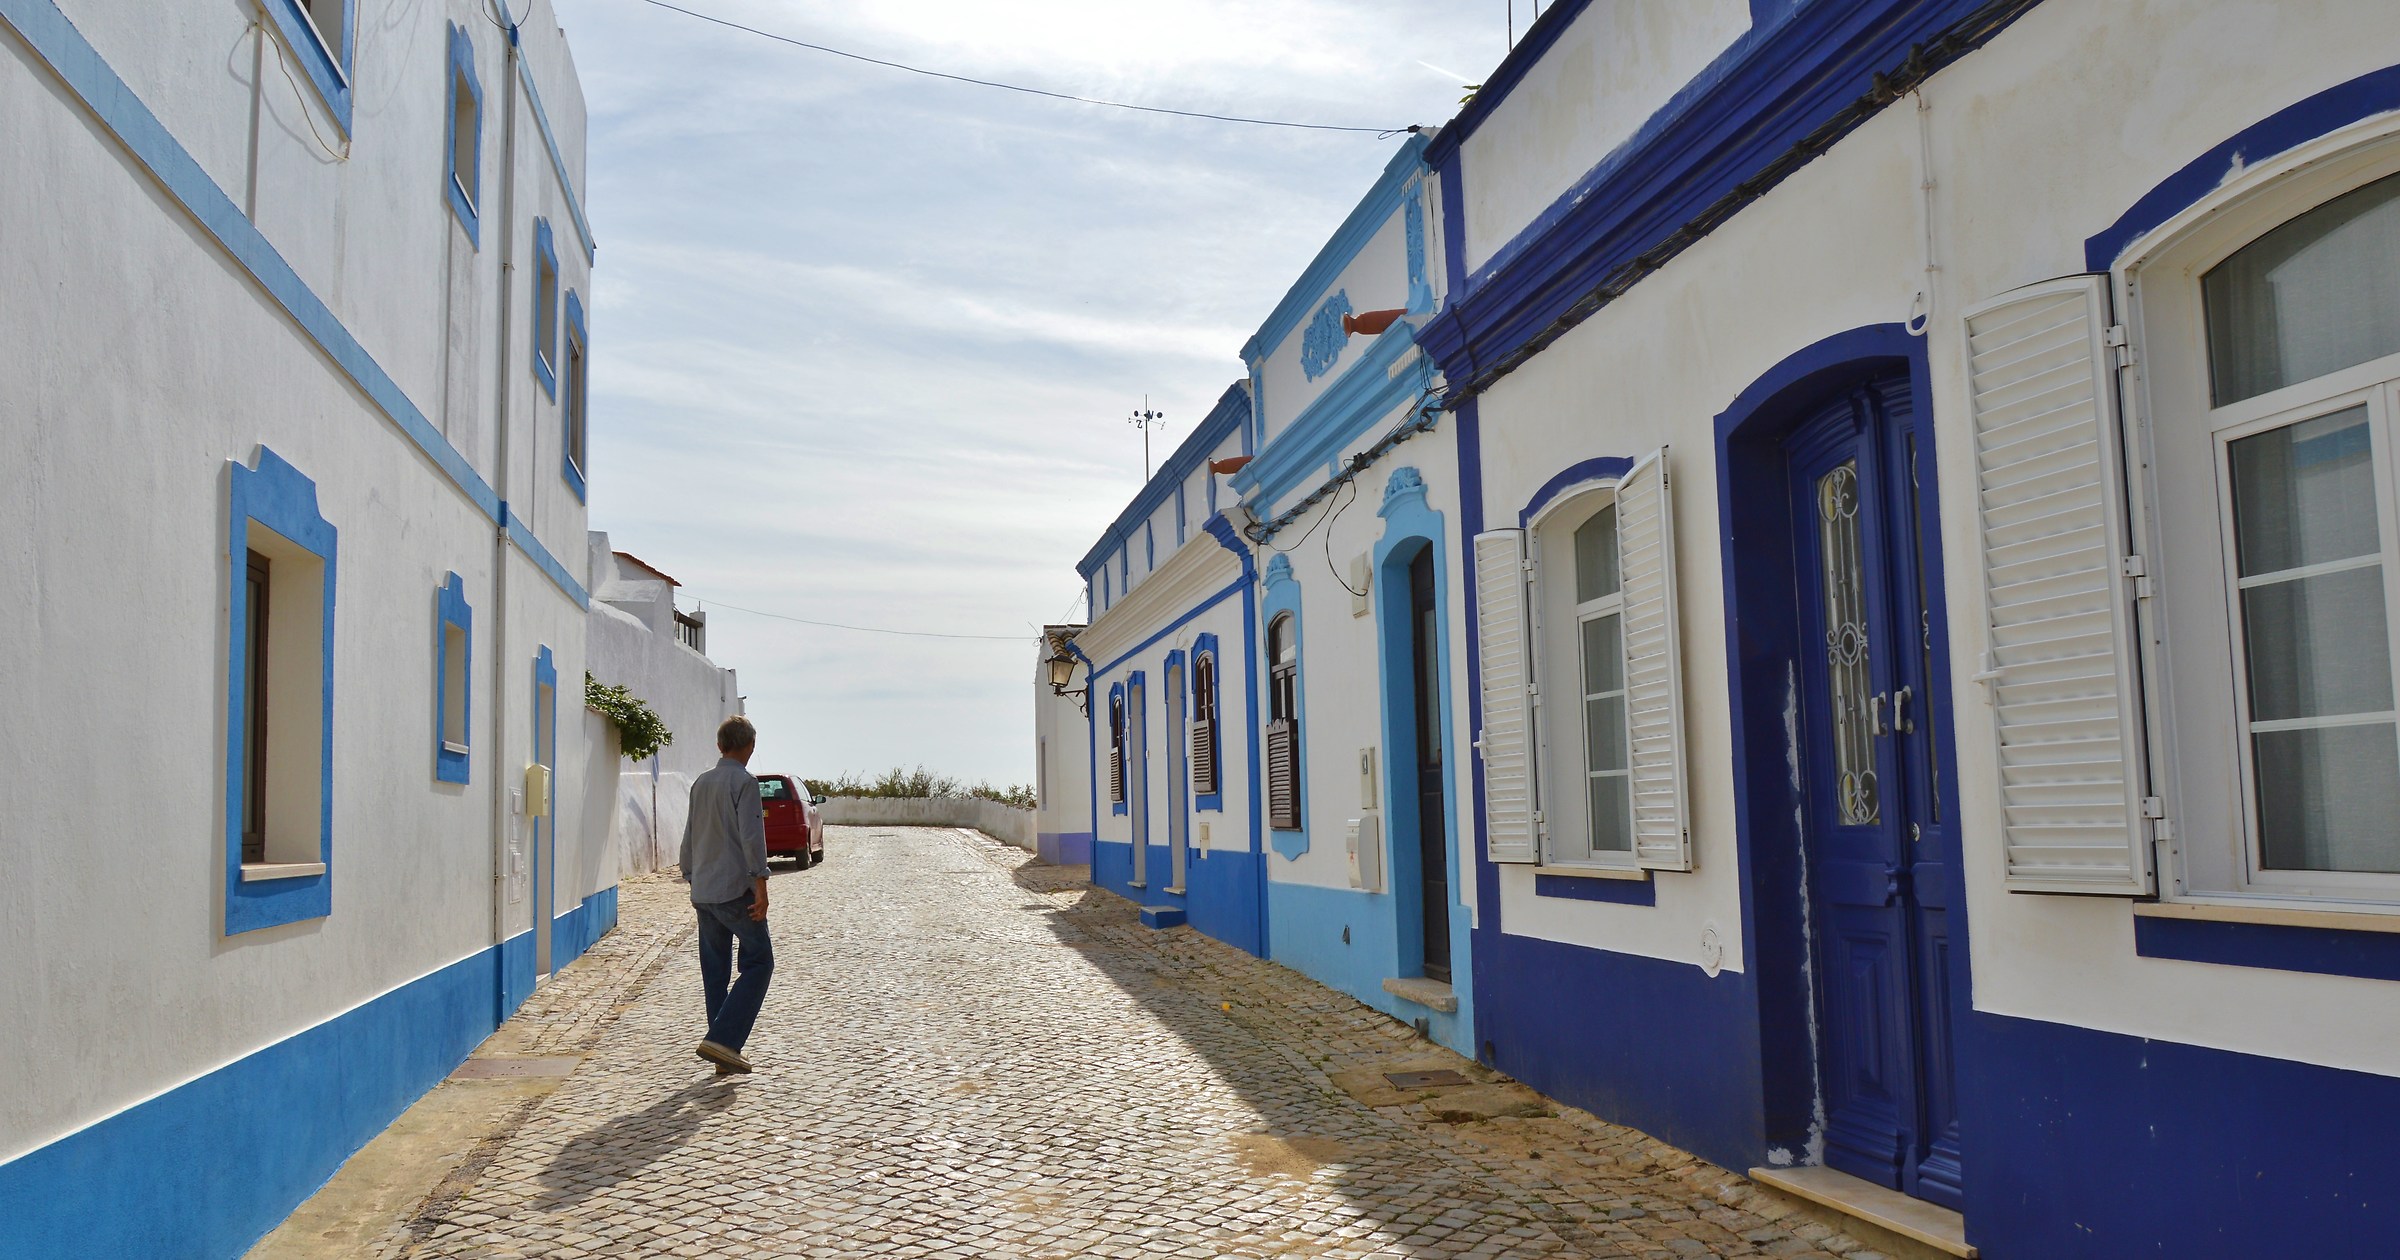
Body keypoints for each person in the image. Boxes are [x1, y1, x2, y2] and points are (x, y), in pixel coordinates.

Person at [679, 714, 775, 1074]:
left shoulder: (701, 782)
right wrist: (761, 884)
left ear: (720, 746)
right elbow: (753, 837)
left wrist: (691, 874)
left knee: (715, 971)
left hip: (703, 890)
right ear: (750, 746)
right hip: (736, 890)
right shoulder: (744, 782)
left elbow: (690, 834)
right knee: (760, 961)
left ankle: (721, 1051)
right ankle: (725, 1041)